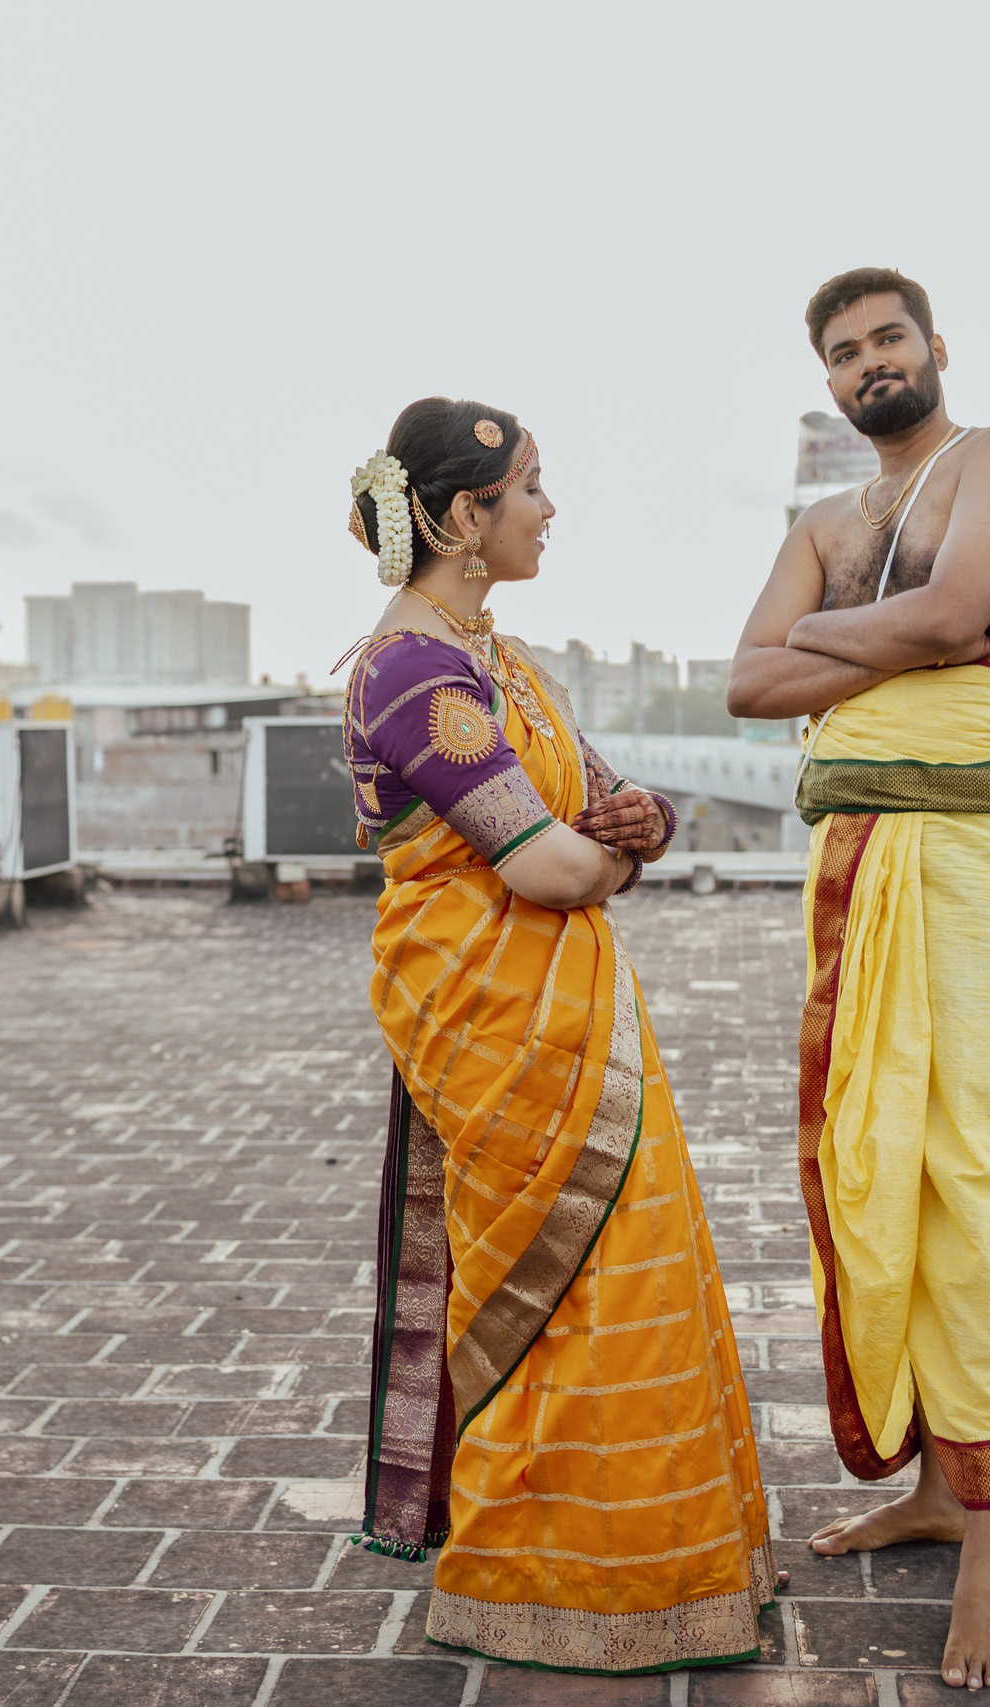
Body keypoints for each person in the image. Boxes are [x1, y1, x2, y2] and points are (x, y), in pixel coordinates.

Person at [343, 397, 778, 1675]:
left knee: (628, 1276)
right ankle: (540, 1578)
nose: (549, 510)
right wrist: (609, 857)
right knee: (547, 1291)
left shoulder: (509, 665)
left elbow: (611, 811)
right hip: (492, 1022)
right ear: (460, 518)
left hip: (573, 1013)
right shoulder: (411, 672)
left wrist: (634, 834)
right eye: (529, 488)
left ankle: (655, 1567)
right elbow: (546, 867)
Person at [725, 268, 990, 1692]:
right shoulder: (823, 522)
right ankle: (935, 1485)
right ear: (826, 381)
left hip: (987, 862)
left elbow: (960, 612)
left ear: (935, 346)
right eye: (843, 351)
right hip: (859, 863)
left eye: (888, 337)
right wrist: (904, 633)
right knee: (880, 1163)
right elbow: (744, 684)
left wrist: (836, 637)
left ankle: (987, 1559)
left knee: (984, 1176)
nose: (871, 361)